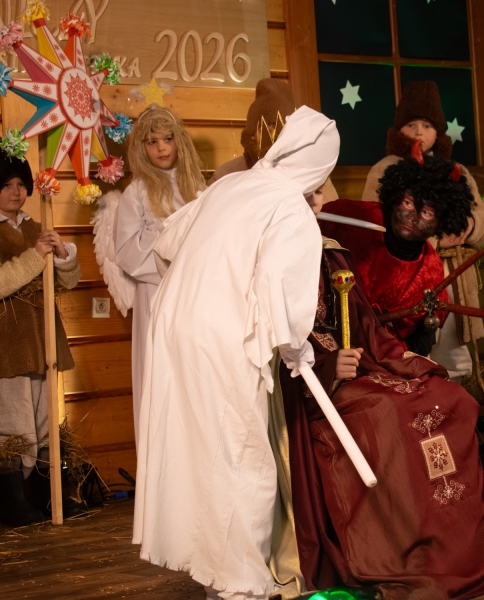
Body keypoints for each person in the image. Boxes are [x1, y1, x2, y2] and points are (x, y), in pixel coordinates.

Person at [277, 186, 484, 599]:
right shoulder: (266, 261)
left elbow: (367, 328)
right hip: (312, 390)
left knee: (446, 398)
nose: (313, 204)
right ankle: (409, 558)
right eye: (304, 195)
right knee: (387, 413)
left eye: (316, 194)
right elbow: (269, 348)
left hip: (362, 370)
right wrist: (327, 367)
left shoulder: (331, 255)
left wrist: (407, 360)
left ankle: (469, 555)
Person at [132, 107, 339, 600]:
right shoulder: (289, 208)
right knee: (242, 459)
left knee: (198, 452)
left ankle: (214, 574)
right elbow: (279, 289)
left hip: (176, 325)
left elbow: (167, 241)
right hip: (222, 335)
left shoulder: (232, 185)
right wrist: (296, 349)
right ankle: (241, 586)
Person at [0, 131, 83, 526]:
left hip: (41, 338)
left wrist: (62, 255)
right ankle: (14, 505)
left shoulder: (36, 227)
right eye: (6, 185)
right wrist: (35, 255)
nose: (16, 192)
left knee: (46, 419)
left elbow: (67, 282)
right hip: (5, 345)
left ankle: (51, 497)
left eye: (20, 184)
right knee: (11, 422)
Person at [361, 81, 484, 380]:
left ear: (437, 132)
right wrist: (434, 238)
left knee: (454, 358)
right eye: (411, 125)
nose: (419, 132)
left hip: (453, 278)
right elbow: (375, 222)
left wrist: (466, 227)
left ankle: (453, 406)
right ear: (399, 130)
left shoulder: (456, 171)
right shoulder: (385, 169)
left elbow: (483, 222)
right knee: (414, 353)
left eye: (427, 126)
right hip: (408, 277)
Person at [105, 106, 206, 442]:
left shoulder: (197, 186)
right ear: (141, 147)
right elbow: (125, 251)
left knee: (195, 375)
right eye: (152, 141)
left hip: (195, 293)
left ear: (180, 141)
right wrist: (165, 244)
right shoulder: (137, 192)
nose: (162, 147)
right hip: (158, 293)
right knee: (162, 376)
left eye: (168, 138)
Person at [319, 154, 473, 356]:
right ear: (396, 197)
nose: (413, 218)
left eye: (426, 213)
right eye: (408, 203)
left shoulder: (430, 271)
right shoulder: (347, 216)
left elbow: (421, 341)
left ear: (442, 222)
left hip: (381, 357)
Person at [208, 78, 339, 202]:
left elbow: (329, 212)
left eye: (283, 130)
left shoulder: (312, 174)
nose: (277, 139)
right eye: (269, 129)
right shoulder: (226, 176)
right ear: (253, 133)